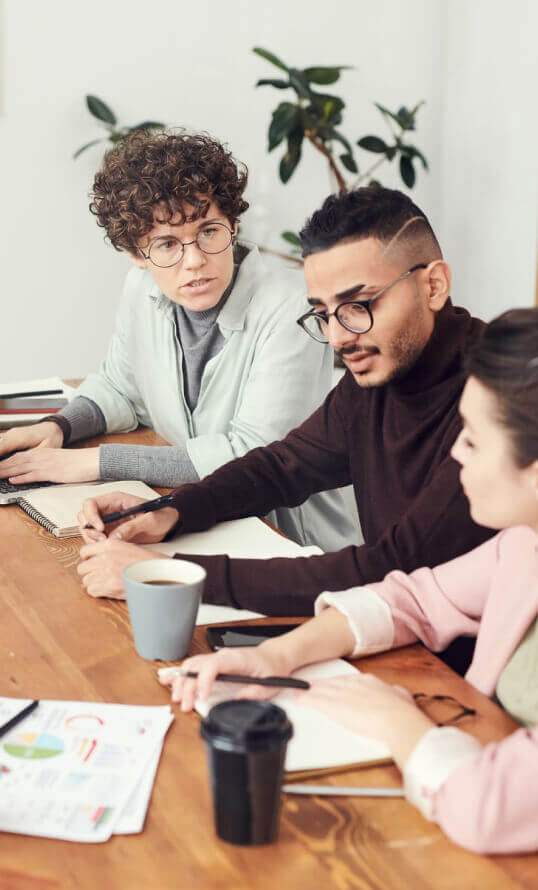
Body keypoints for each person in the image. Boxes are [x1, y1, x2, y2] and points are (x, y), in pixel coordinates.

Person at [159, 308, 538, 855]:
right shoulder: (524, 541)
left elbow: (486, 810)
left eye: (474, 441)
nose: (456, 454)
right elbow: (416, 597)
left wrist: (396, 720)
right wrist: (280, 656)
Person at [76, 188, 491, 641]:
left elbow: (392, 566)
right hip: (389, 632)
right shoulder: (377, 373)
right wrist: (170, 511)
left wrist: (170, 572)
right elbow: (283, 466)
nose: (338, 337)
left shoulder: (496, 400)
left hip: (466, 676)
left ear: (433, 285)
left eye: (360, 305)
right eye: (323, 314)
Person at [0, 130, 354, 552]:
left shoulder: (289, 308)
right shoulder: (141, 289)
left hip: (287, 540)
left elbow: (252, 455)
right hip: (197, 517)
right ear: (135, 252)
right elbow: (119, 387)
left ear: (235, 224)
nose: (195, 260)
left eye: (209, 231)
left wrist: (90, 463)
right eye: (166, 244)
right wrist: (58, 426)